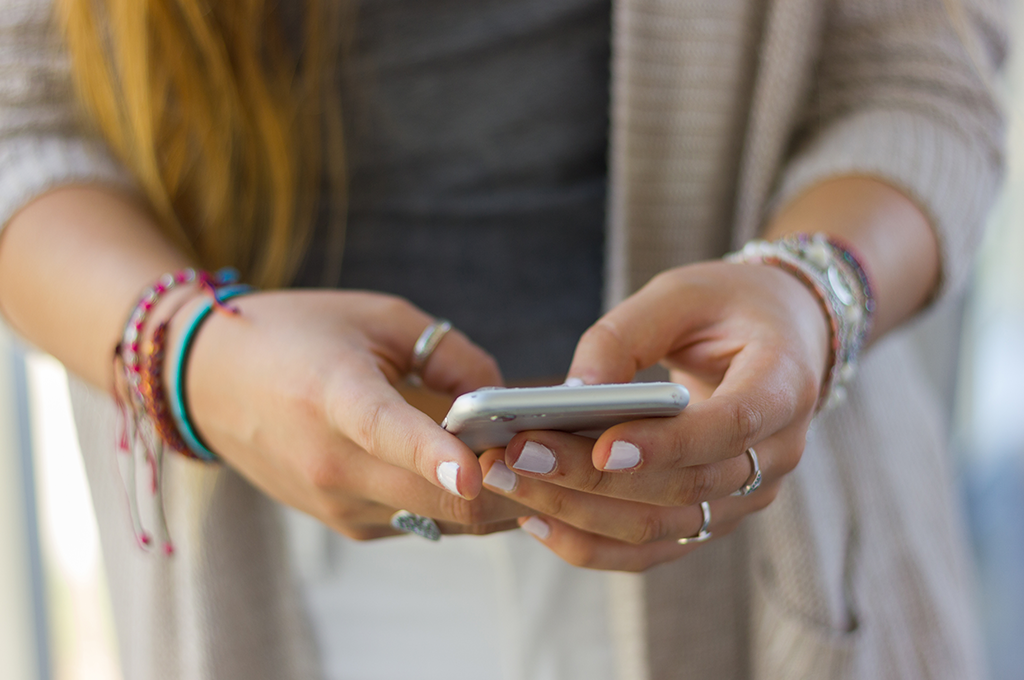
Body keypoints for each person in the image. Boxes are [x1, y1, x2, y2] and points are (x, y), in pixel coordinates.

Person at [0, 0, 1006, 678]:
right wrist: (194, 357)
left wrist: (810, 293)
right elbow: (22, 116)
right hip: (273, 557)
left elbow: (924, 78)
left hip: (759, 553)